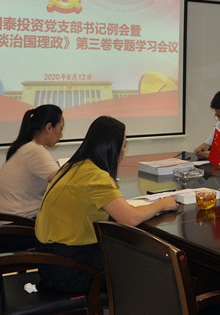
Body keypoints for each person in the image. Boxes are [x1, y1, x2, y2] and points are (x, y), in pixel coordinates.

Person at [34, 116, 178, 292]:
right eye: (123, 146)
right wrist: (162, 204)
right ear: (111, 148)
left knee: (127, 253)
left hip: (50, 260)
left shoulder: (73, 166)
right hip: (69, 268)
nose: (123, 152)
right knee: (146, 263)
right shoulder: (95, 176)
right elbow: (130, 218)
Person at [0, 104, 64, 219]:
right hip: (19, 224)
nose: (61, 135)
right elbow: (64, 181)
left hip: (9, 221)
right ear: (49, 127)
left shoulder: (25, 147)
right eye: (60, 129)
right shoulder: (35, 151)